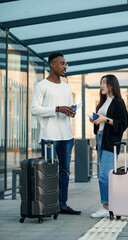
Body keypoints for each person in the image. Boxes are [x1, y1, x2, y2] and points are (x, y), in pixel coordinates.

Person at [31, 52, 81, 215]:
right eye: (62, 63)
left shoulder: (67, 87)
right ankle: (47, 204)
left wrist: (70, 111)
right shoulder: (41, 85)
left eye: (66, 64)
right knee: (48, 172)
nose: (65, 67)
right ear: (52, 65)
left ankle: (62, 204)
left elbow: (65, 108)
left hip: (67, 136)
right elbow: (34, 110)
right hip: (49, 137)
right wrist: (57, 109)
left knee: (65, 172)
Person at [89, 74, 128, 218]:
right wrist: (96, 121)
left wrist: (106, 119)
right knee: (106, 174)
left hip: (111, 142)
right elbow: (102, 123)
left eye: (105, 82)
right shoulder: (102, 102)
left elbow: (123, 123)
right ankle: (109, 205)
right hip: (101, 139)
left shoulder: (118, 102)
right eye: (101, 82)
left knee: (104, 175)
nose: (102, 85)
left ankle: (106, 207)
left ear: (112, 85)